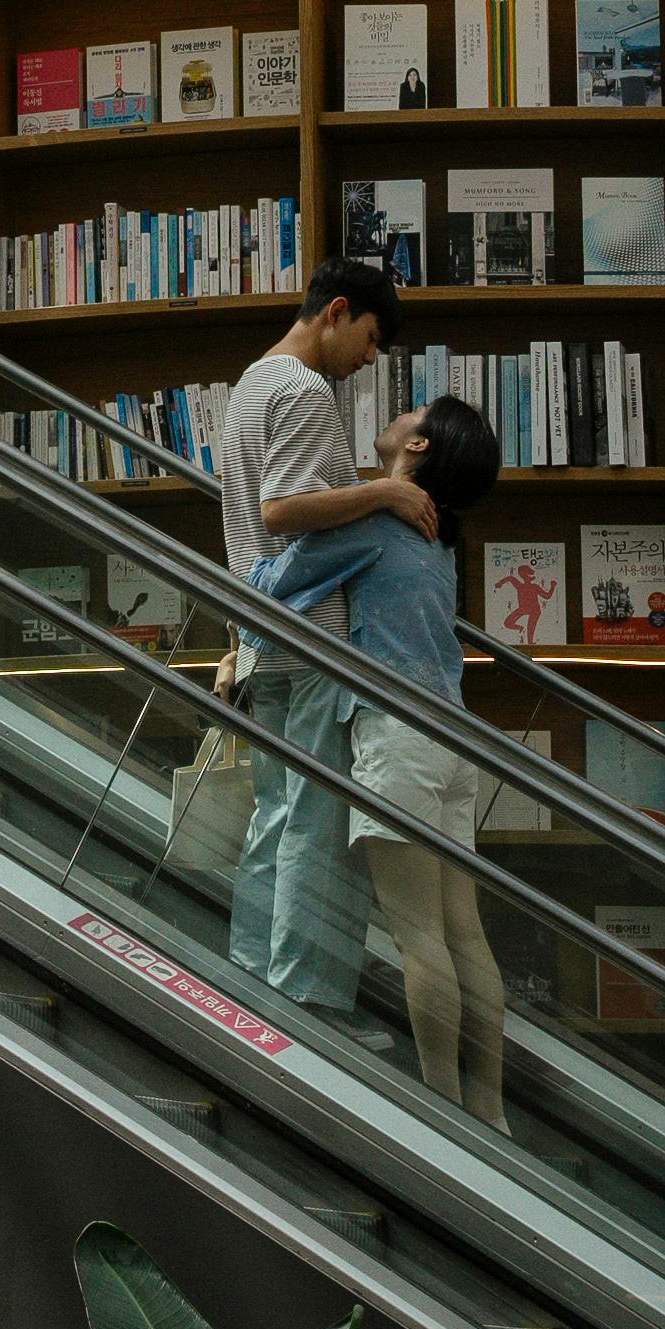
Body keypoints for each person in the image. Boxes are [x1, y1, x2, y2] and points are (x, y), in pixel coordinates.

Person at [249, 392, 508, 1125]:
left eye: (413, 412)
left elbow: (271, 585)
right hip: (456, 741)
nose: (398, 414)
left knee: (416, 936)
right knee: (463, 933)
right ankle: (489, 1112)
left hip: (399, 737)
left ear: (419, 448)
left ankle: (442, 1114)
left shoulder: (373, 522)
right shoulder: (434, 539)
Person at [216, 259, 427, 1010]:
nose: (370, 358)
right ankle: (306, 1008)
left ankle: (251, 982)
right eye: (371, 338)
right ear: (338, 312)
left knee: (276, 816)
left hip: (265, 635)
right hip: (311, 639)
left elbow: (249, 523)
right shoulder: (303, 390)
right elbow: (282, 510)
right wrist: (386, 491)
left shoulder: (250, 385)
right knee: (315, 823)